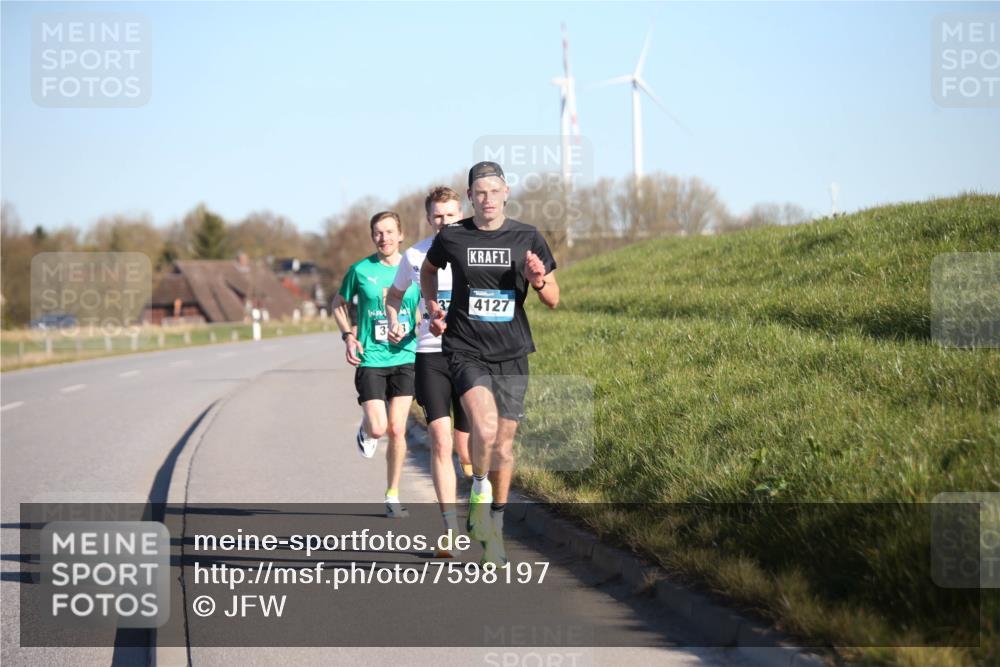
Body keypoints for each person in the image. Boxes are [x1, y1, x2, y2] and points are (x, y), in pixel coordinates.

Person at [420, 162, 559, 565]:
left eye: (493, 191)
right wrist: (432, 305)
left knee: (504, 446)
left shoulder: (528, 236)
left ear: (506, 192)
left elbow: (554, 300)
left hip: (513, 352)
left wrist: (538, 280)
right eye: (479, 192)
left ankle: (494, 525)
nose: (487, 199)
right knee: (483, 425)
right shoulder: (453, 236)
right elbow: (429, 272)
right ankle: (478, 491)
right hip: (465, 348)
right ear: (470, 197)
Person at [385, 186, 472, 557]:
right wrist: (396, 322)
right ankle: (450, 529)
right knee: (440, 440)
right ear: (428, 218)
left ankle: (480, 495)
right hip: (430, 354)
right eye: (438, 216)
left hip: (470, 355)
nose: (444, 222)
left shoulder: (475, 250)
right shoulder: (415, 255)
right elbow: (394, 296)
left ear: (460, 214)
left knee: (469, 444)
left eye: (450, 214)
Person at [332, 211, 420, 519]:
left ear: (401, 235)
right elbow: (338, 304)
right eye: (378, 233)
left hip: (405, 357)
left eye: (389, 232)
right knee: (380, 427)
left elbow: (422, 309)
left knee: (398, 428)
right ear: (373, 237)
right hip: (371, 357)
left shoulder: (415, 270)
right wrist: (348, 336)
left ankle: (392, 494)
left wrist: (415, 327)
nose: (384, 238)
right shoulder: (360, 270)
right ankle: (367, 430)